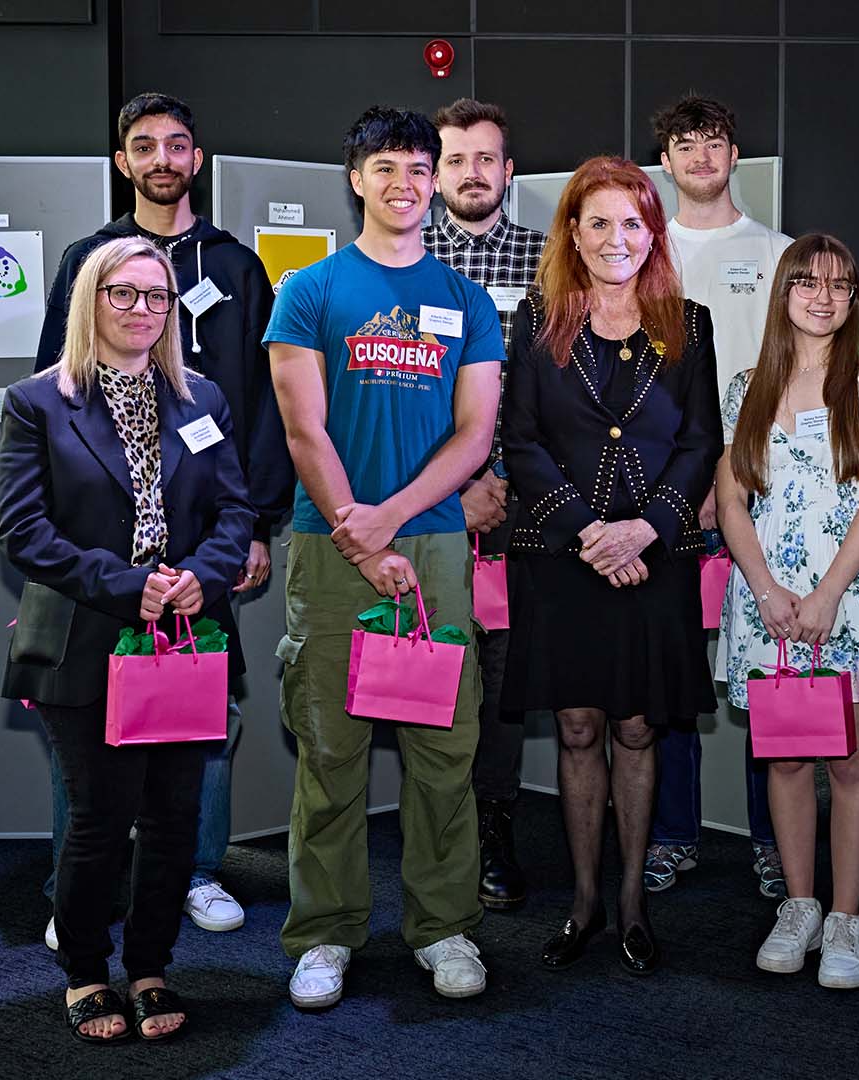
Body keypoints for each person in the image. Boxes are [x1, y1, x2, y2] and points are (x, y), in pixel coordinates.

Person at [34, 91, 292, 944]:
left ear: (198, 157)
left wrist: (253, 527)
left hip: (203, 547)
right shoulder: (87, 257)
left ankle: (197, 871)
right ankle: (84, 885)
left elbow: (260, 407)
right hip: (104, 549)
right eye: (144, 145)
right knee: (91, 714)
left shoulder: (237, 267)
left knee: (199, 710)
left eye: (177, 144)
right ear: (123, 162)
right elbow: (54, 403)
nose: (161, 158)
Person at [268, 106, 504, 1007]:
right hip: (330, 544)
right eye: (387, 167)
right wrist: (356, 531)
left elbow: (475, 431)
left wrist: (392, 519)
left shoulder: (467, 300)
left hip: (437, 545)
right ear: (354, 178)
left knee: (444, 749)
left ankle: (444, 928)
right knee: (331, 747)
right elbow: (302, 426)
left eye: (420, 166)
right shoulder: (312, 289)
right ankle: (324, 933)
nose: (405, 182)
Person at [0, 236, 254, 1043]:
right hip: (85, 638)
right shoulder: (38, 401)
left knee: (176, 818)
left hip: (183, 638)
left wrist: (198, 578)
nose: (143, 310)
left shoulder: (202, 400)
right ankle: (83, 973)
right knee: (99, 818)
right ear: (90, 300)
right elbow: (22, 531)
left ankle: (149, 966)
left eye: (157, 297)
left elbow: (235, 514)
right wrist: (126, 582)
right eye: (125, 294)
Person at [500, 155, 720, 976]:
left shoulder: (687, 323)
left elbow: (702, 442)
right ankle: (584, 901)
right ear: (573, 233)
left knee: (636, 724)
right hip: (562, 555)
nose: (616, 238)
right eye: (598, 222)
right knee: (579, 723)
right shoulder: (536, 319)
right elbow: (519, 439)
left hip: (654, 557)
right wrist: (592, 531)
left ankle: (632, 902)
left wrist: (646, 529)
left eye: (632, 221)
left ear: (652, 232)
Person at [714, 235, 859, 990]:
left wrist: (828, 593)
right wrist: (765, 588)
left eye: (839, 284)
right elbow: (732, 498)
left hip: (853, 598)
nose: (823, 297)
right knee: (788, 757)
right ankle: (798, 905)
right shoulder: (746, 387)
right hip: (768, 601)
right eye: (806, 283)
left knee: (852, 763)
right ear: (784, 294)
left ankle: (846, 918)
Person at [646, 93, 791, 900]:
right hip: (662, 496)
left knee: (768, 667)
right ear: (664, 162)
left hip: (758, 489)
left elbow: (786, 372)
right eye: (685, 144)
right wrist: (680, 488)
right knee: (672, 675)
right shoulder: (643, 250)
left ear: (737, 156)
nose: (701, 157)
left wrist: (728, 478)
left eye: (715, 143)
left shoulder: (775, 253)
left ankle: (774, 840)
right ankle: (672, 834)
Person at [421, 98, 548, 913]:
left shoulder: (550, 261)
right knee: (429, 665)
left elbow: (558, 386)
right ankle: (438, 831)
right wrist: (456, 483)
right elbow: (384, 392)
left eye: (487, 158)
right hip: (426, 504)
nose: (473, 173)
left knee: (501, 680)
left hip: (523, 509)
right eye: (456, 159)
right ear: (434, 173)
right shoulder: (402, 257)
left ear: (509, 171)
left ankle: (494, 825)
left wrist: (501, 479)